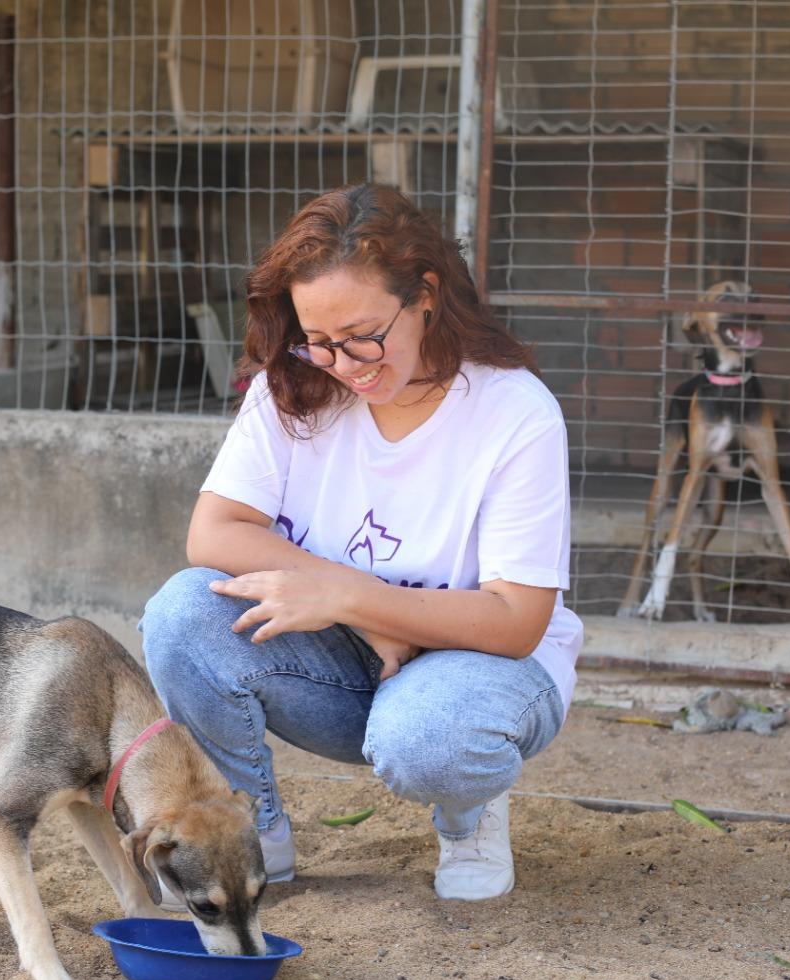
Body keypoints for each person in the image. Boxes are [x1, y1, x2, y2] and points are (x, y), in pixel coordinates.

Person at [140, 184, 583, 901]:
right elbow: (213, 533)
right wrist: (364, 615)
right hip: (347, 660)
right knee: (182, 615)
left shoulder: (515, 413)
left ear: (427, 295)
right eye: (320, 340)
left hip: (480, 666)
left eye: (363, 335)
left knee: (430, 738)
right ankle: (252, 832)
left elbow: (516, 619)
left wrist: (352, 595)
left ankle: (468, 815)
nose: (345, 364)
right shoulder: (295, 385)